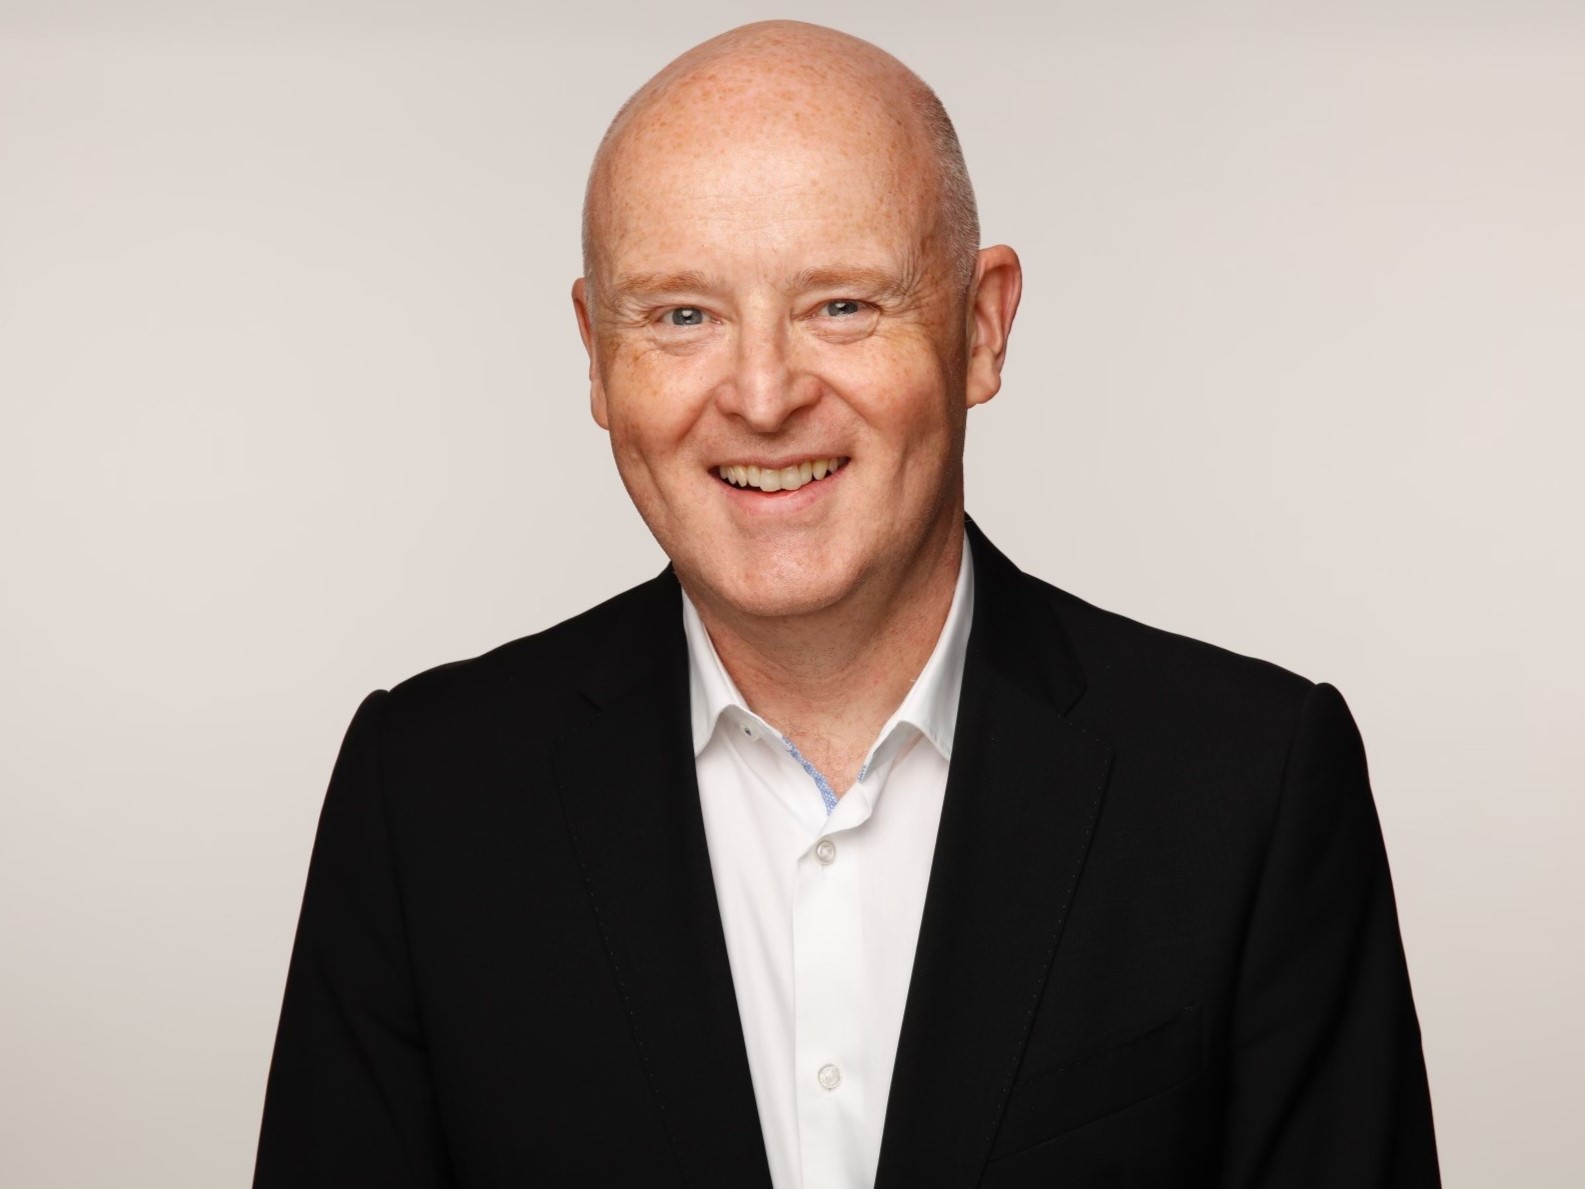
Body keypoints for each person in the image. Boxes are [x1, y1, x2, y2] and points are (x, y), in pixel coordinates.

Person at [253, 20, 1439, 1188]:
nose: (762, 397)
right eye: (681, 314)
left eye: (841, 305)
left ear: (981, 327)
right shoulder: (423, 797)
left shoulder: (1251, 785)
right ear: (595, 356)